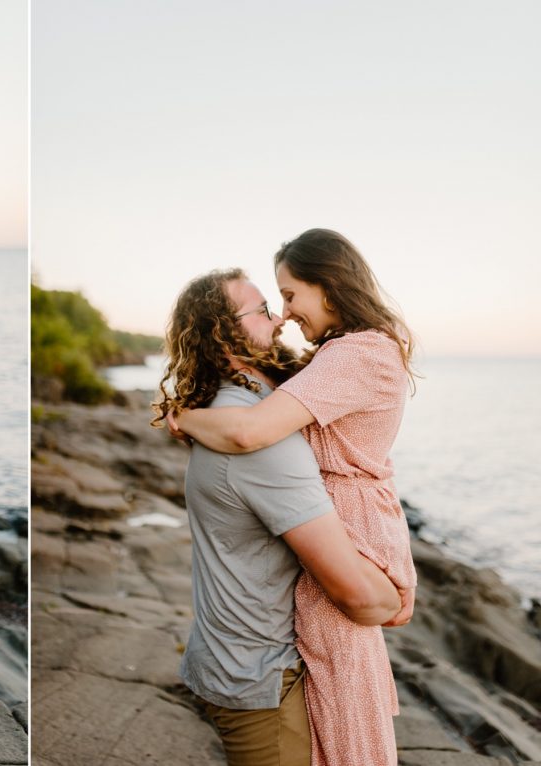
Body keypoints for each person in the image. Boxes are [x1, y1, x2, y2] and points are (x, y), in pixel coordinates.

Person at [169, 231, 418, 766]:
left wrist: (183, 415)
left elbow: (248, 432)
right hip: (260, 673)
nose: (281, 317)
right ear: (223, 333)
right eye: (266, 307)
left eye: (285, 297)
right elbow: (366, 599)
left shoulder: (239, 406)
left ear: (329, 286)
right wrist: (394, 593)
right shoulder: (259, 432)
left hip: (241, 661)